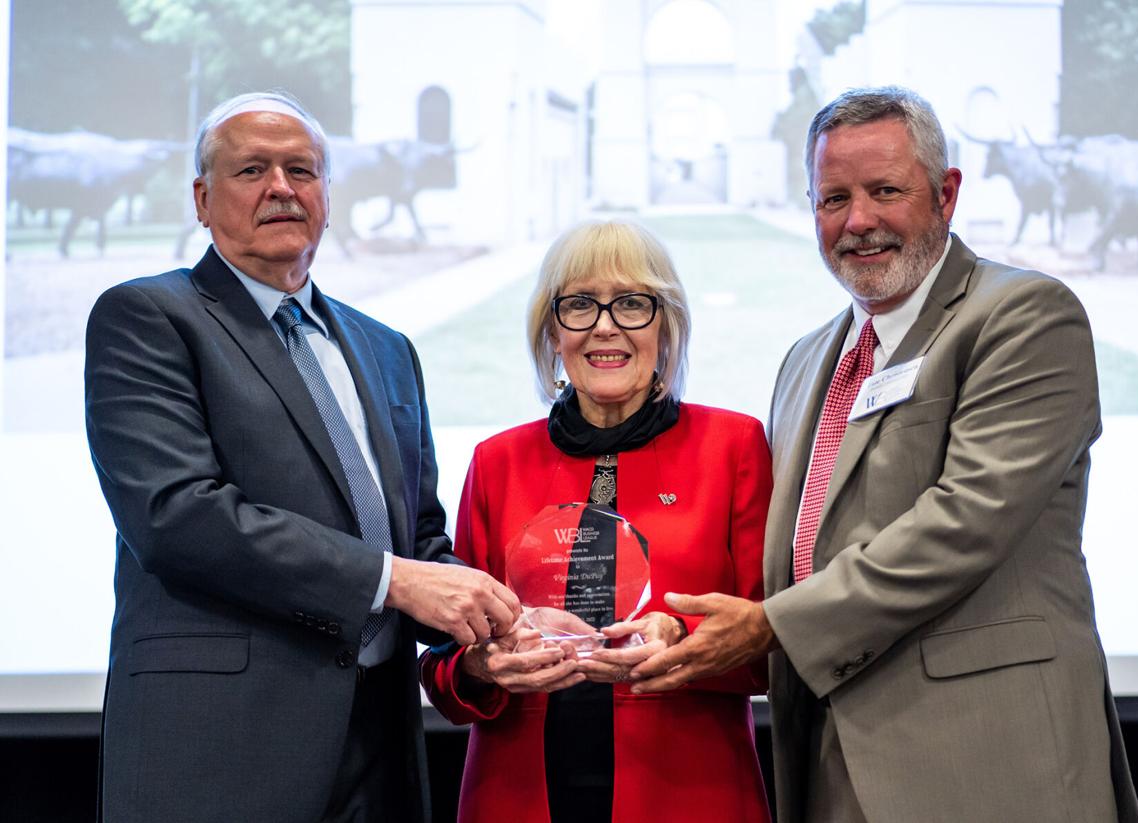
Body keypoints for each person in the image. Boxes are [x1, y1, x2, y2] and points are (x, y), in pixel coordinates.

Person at [629, 86, 1138, 823]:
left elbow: (965, 520)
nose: (858, 220)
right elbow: (798, 552)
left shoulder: (1024, 315)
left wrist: (774, 623)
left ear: (946, 193)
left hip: (992, 762)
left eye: (884, 191)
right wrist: (690, 623)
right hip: (834, 759)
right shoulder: (807, 360)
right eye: (833, 198)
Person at [84, 91, 520, 823]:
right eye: (252, 169)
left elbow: (417, 542)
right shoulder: (148, 318)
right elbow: (177, 514)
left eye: (302, 169)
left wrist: (504, 620)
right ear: (201, 198)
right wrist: (394, 579)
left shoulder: (386, 349)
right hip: (220, 752)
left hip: (377, 754)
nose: (282, 187)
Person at [419, 220, 773, 823]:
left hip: (689, 791)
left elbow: (776, 644)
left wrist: (681, 640)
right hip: (517, 795)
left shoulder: (734, 446)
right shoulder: (496, 462)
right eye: (579, 304)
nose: (605, 325)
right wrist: (483, 665)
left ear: (666, 328)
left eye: (633, 304)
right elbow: (446, 664)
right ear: (552, 332)